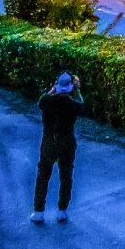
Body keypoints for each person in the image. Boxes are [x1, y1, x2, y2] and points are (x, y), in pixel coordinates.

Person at [32, 72, 84, 223]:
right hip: (67, 142)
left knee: (43, 176)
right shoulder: (72, 105)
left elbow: (41, 101)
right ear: (70, 88)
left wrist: (53, 90)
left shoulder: (47, 101)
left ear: (56, 86)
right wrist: (77, 89)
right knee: (66, 176)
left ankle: (38, 211)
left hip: (49, 142)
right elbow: (82, 104)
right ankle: (62, 210)